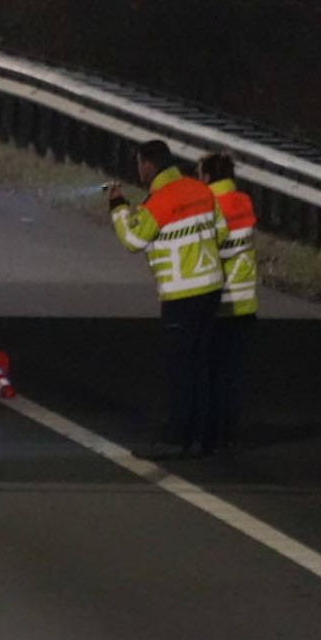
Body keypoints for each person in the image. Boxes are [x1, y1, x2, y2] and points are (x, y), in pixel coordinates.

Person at [106, 139, 228, 458]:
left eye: (139, 165)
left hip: (181, 293)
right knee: (202, 365)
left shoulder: (160, 201)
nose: (138, 171)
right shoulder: (201, 190)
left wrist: (118, 207)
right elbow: (223, 232)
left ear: (148, 165)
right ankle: (204, 438)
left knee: (180, 368)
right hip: (211, 289)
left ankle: (177, 437)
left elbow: (133, 240)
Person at [197, 151, 258, 451]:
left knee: (209, 371)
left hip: (218, 301)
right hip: (245, 301)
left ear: (207, 176)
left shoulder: (208, 205)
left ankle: (210, 432)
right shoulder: (244, 201)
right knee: (232, 373)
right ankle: (229, 430)